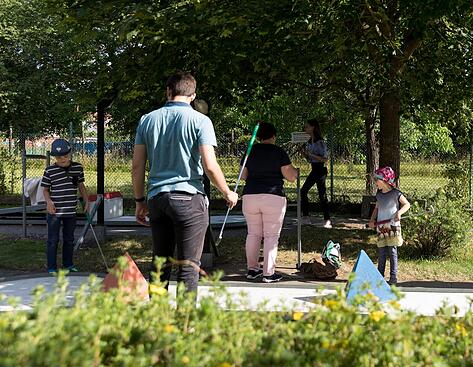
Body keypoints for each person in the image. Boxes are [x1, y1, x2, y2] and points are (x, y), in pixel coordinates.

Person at [132, 71, 238, 294]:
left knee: (160, 264)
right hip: (188, 198)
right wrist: (227, 192)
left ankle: (157, 319)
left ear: (168, 92)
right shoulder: (201, 121)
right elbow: (210, 165)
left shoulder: (146, 120)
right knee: (188, 266)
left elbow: (137, 166)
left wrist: (140, 201)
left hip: (157, 199)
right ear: (193, 96)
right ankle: (184, 324)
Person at [241, 122, 298, 283]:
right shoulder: (279, 152)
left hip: (250, 195)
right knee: (271, 236)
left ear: (258, 137)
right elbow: (290, 176)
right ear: (273, 136)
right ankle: (269, 272)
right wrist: (296, 171)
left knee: (253, 234)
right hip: (273, 196)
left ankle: (252, 269)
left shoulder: (250, 151)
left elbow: (243, 175)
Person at [41, 139, 89, 274]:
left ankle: (68, 265)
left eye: (65, 156)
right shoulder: (50, 170)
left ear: (70, 153)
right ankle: (51, 267)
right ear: (54, 157)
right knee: (53, 240)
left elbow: (81, 186)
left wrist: (86, 201)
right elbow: (45, 190)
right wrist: (49, 202)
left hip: (70, 211)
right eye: (58, 157)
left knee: (69, 239)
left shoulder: (77, 168)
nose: (62, 159)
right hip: (54, 211)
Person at [367, 166, 410, 285]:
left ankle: (393, 277)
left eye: (377, 180)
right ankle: (379, 276)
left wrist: (399, 213)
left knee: (392, 251)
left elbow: (407, 204)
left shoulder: (396, 193)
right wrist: (372, 220)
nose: (375, 182)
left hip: (393, 227)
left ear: (385, 180)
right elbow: (376, 208)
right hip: (381, 227)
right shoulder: (379, 194)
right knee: (381, 252)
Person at [300, 119, 332, 228]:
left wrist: (311, 155)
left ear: (313, 127)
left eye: (307, 127)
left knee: (322, 194)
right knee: (303, 191)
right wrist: (304, 154)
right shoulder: (309, 142)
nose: (305, 129)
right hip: (314, 169)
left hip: (321, 170)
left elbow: (324, 159)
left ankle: (327, 220)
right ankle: (306, 217)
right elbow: (310, 159)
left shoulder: (320, 142)